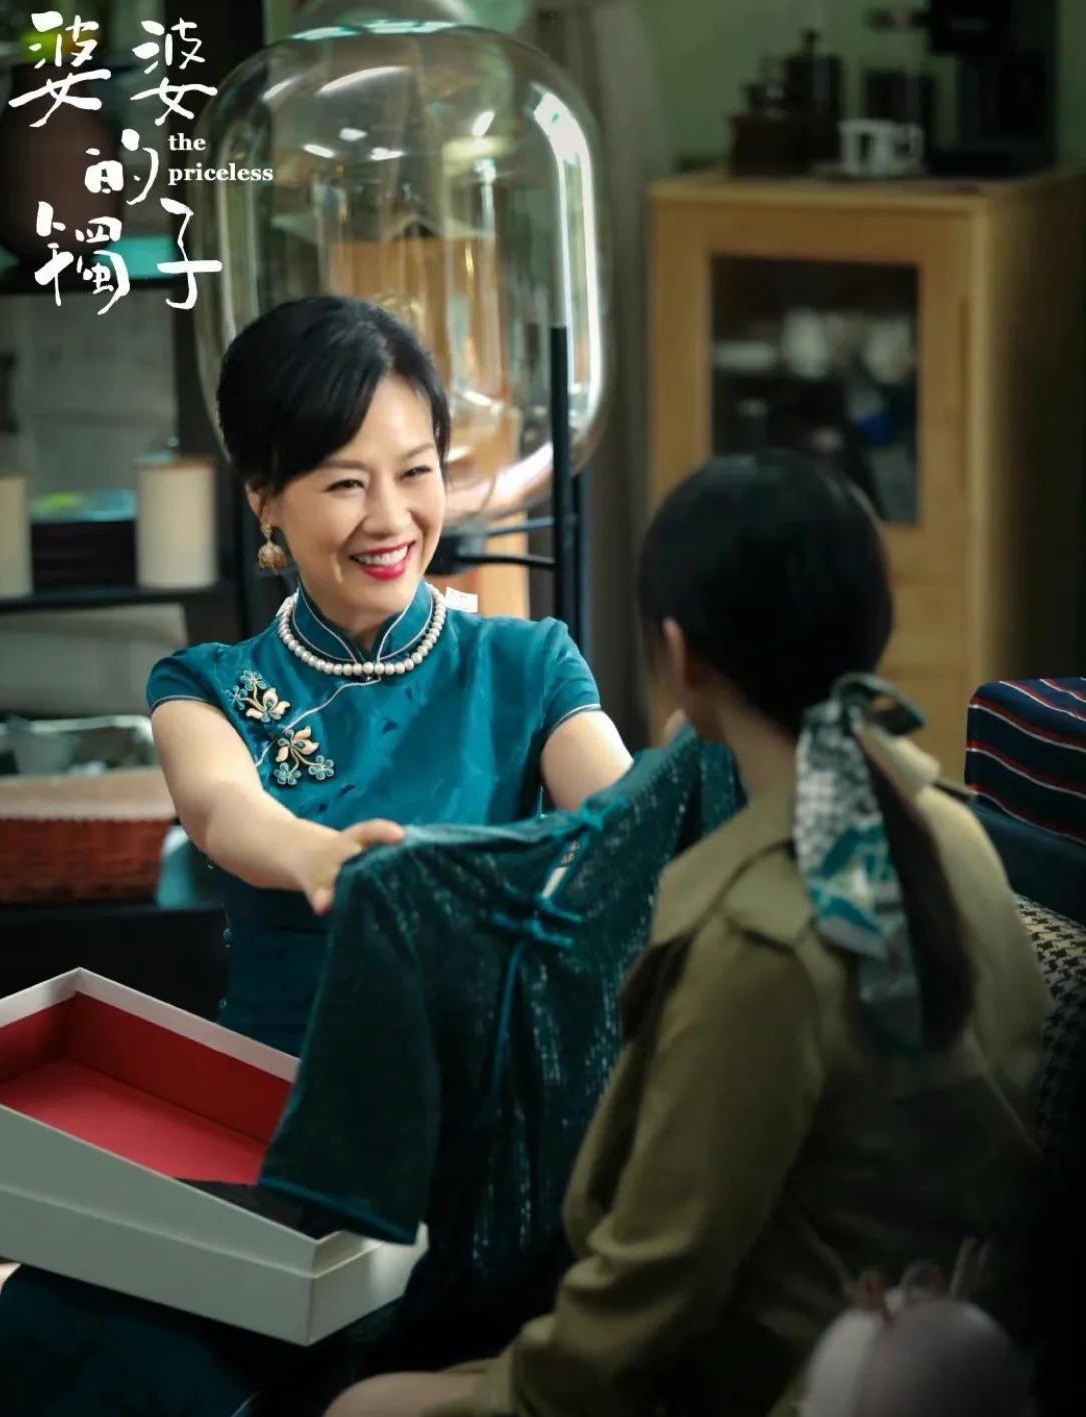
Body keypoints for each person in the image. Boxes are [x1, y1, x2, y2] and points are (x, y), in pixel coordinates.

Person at [0, 296, 632, 1417]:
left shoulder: (530, 663)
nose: (392, 518)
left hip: (475, 1143)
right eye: (345, 482)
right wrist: (324, 857)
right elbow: (224, 811)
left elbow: (617, 812)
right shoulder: (205, 685)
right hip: (268, 1130)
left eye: (416, 472)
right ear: (264, 495)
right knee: (85, 1315)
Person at [327, 451, 1051, 1417]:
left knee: (358, 1404)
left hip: (785, 1376)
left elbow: (648, 1290)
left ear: (682, 654)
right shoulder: (947, 831)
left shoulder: (762, 945)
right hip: (938, 1350)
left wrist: (499, 1391)